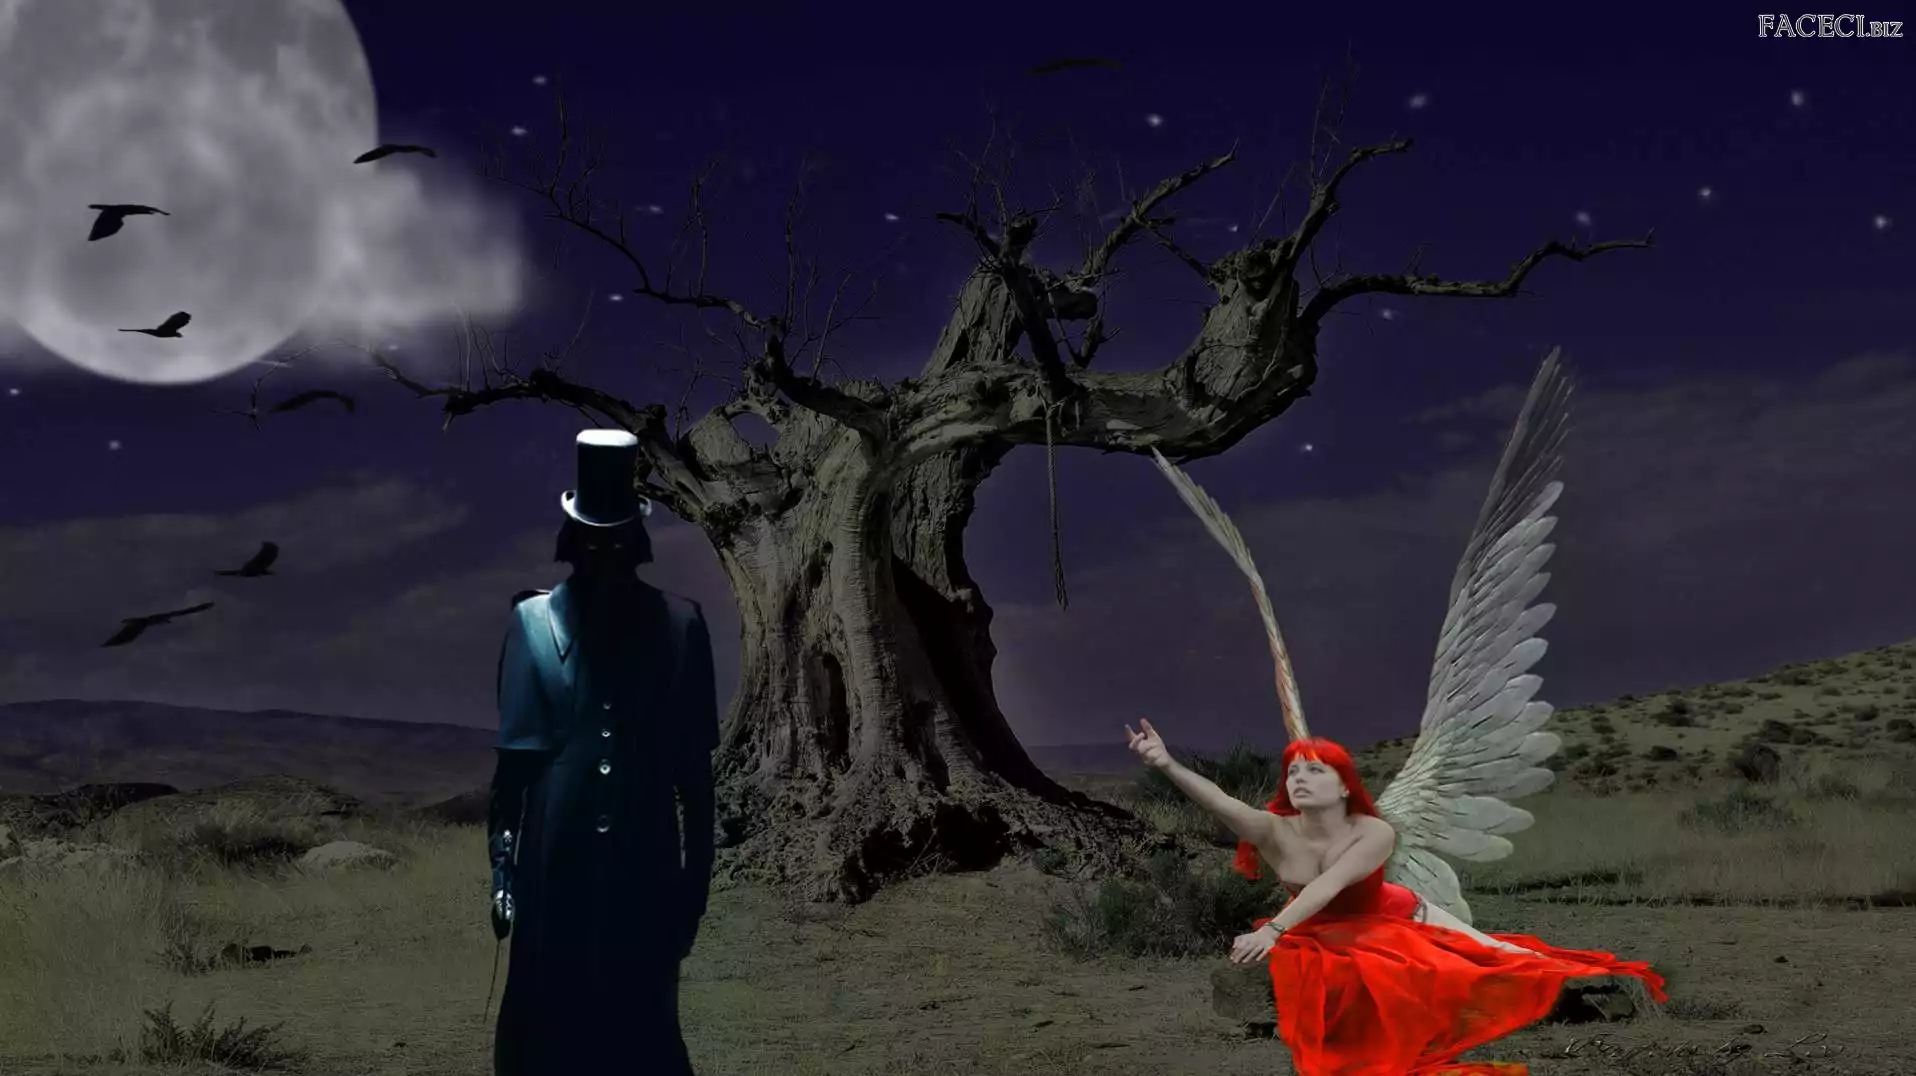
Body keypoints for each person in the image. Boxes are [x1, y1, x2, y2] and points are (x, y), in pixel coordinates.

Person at [1126, 719, 1667, 1076]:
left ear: (1344, 786)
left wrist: (1272, 928)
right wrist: (1166, 763)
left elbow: (1328, 885)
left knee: (1503, 957)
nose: (1299, 779)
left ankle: (1603, 987)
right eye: (1292, 772)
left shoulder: (1374, 832)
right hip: (1319, 929)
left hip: (1400, 917)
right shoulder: (1272, 830)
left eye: (1315, 770)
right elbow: (1218, 800)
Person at [487, 429, 720, 1076]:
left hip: (645, 869)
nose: (605, 554)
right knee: (544, 1034)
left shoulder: (681, 627)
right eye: (593, 539)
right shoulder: (532, 625)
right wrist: (503, 875)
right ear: (571, 539)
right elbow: (512, 774)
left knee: (643, 1033)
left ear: (637, 541)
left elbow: (696, 783)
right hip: (551, 869)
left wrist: (692, 895)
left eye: (617, 540)